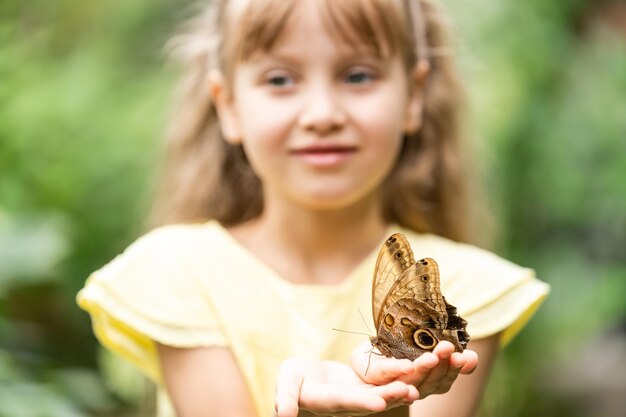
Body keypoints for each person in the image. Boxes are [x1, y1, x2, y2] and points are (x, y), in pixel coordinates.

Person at [77, 0, 550, 416]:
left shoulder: (466, 287)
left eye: (358, 75)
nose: (322, 114)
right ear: (229, 106)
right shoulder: (178, 273)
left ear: (414, 95)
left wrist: (379, 413)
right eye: (280, 79)